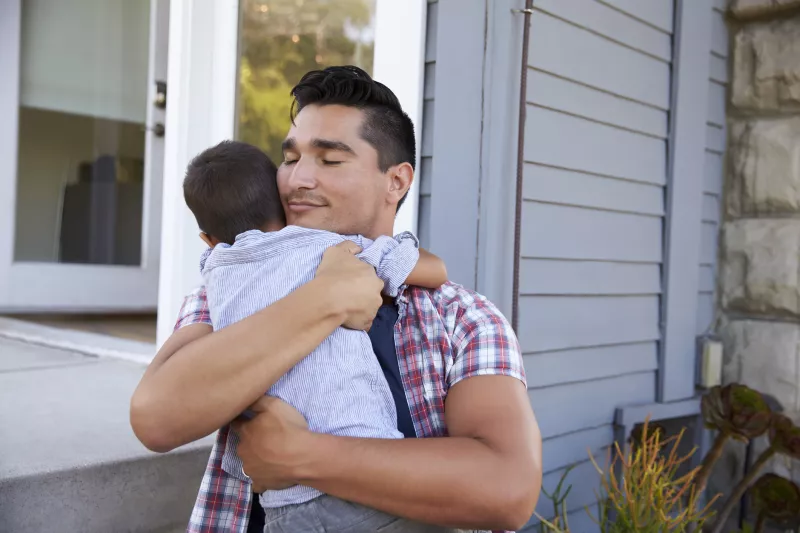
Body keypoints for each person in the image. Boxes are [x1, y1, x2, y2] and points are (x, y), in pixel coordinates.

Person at [130, 66, 542, 533]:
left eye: (330, 161)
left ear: (397, 182)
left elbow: (507, 489)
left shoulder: (462, 319)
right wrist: (324, 299)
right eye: (290, 159)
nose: (297, 179)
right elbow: (157, 419)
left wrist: (300, 456)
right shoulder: (229, 288)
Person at [183, 139, 450, 531]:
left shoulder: (213, 276)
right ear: (284, 206)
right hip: (364, 478)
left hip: (282, 502)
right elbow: (432, 271)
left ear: (207, 240)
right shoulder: (325, 248)